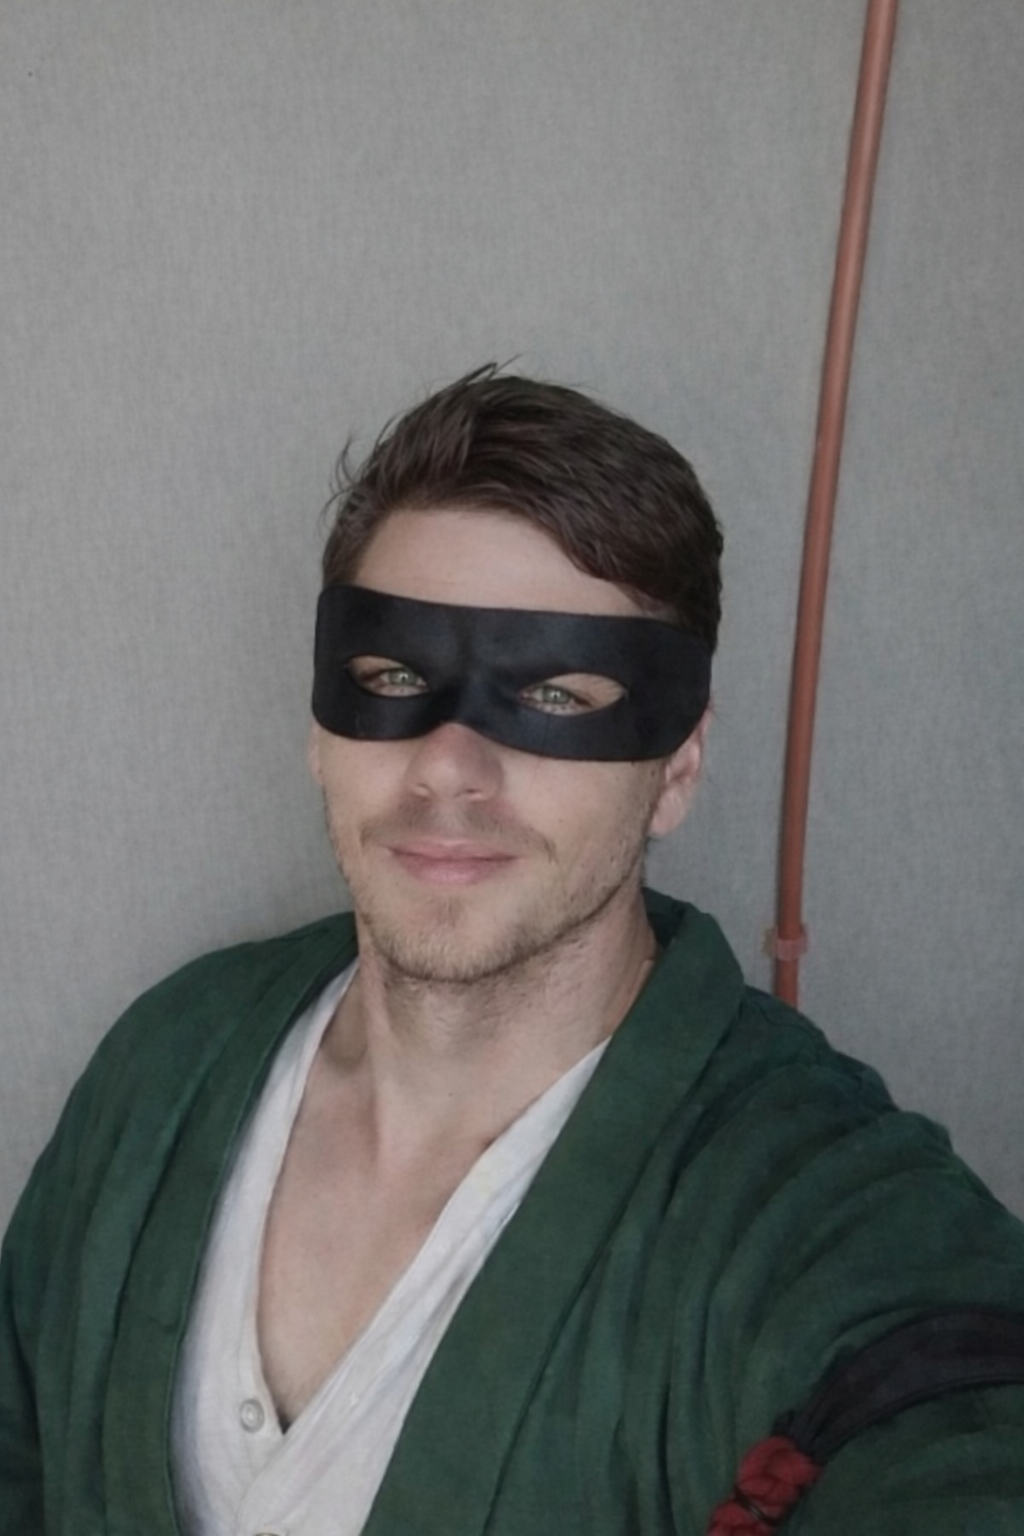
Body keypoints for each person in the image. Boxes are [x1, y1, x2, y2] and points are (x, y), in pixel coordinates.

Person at [2, 366, 1023, 1536]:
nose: (449, 766)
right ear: (321, 728)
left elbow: (947, 1411)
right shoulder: (169, 1060)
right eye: (391, 678)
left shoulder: (809, 1198)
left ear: (677, 765)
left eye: (556, 695)